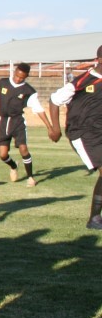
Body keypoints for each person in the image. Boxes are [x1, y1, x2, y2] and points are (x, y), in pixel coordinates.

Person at [49, 45, 102, 229]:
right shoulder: (83, 81)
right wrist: (55, 128)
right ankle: (94, 219)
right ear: (99, 60)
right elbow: (54, 100)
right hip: (82, 132)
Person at [0, 62, 55, 186]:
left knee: (23, 149)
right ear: (14, 72)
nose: (18, 79)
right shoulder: (1, 84)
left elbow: (39, 109)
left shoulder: (28, 91)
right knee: (2, 155)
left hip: (18, 121)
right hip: (2, 122)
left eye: (21, 78)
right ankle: (14, 166)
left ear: (26, 77)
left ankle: (30, 177)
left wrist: (49, 127)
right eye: (17, 76)